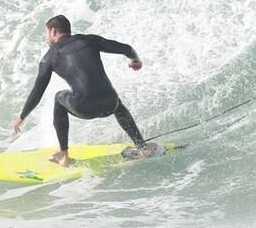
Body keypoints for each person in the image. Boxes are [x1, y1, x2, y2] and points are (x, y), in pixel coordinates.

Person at [12, 14, 160, 165]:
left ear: (53, 31)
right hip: (110, 104)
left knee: (58, 97)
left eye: (46, 33)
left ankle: (64, 156)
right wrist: (135, 60)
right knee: (116, 101)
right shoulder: (89, 40)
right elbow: (126, 49)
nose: (46, 37)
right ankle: (142, 147)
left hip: (85, 108)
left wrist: (22, 117)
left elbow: (37, 92)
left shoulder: (49, 58)